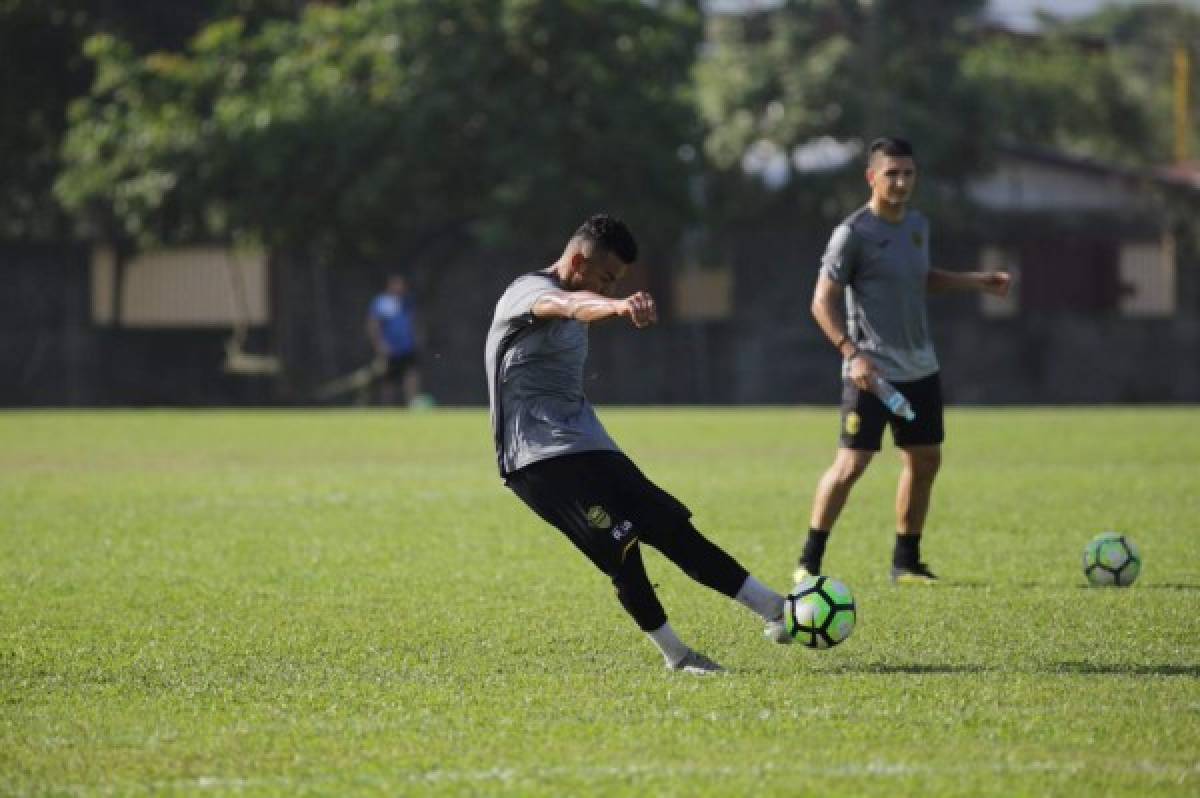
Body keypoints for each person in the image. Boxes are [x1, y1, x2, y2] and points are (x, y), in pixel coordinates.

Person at [486, 214, 792, 674]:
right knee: (622, 547)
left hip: (589, 442)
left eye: (616, 284)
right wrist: (614, 306)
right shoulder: (527, 293)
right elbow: (568, 305)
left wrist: (607, 302)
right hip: (535, 458)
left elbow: (584, 303)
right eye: (606, 278)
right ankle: (678, 656)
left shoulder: (585, 293)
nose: (608, 289)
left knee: (670, 525)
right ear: (576, 260)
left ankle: (775, 609)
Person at [795, 137, 1012, 586]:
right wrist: (852, 355)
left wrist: (978, 282)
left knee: (925, 460)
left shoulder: (916, 225)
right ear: (872, 177)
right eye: (892, 173)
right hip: (871, 374)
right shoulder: (852, 233)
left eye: (908, 173)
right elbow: (821, 302)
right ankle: (809, 561)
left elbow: (920, 279)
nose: (901, 182)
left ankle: (906, 562)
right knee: (852, 465)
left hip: (920, 368)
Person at [367, 274, 421, 406]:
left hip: (407, 347)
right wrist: (379, 344)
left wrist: (417, 339)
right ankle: (387, 409)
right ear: (389, 285)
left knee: (411, 375)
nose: (399, 287)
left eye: (400, 284)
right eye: (396, 284)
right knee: (388, 380)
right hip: (390, 349)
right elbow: (373, 324)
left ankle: (412, 405)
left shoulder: (406, 302)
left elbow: (413, 322)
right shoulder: (381, 302)